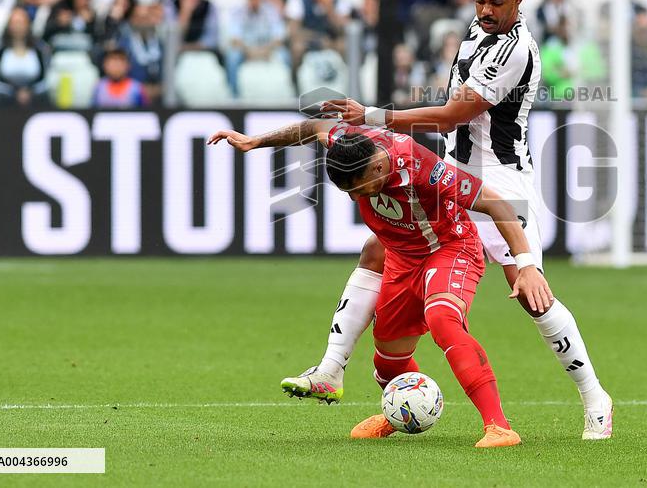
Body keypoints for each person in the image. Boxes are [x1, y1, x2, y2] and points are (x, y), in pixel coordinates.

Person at [288, 0, 615, 440]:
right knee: (380, 248)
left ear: (519, 0)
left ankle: (594, 396)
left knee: (531, 292)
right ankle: (336, 371)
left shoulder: (515, 50)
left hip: (501, 182)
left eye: (497, 2)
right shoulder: (486, 12)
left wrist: (373, 115)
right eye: (481, 0)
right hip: (453, 170)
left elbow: (452, 113)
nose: (485, 10)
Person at [208, 117, 552, 447]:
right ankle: (398, 412)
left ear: (377, 168)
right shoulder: (348, 143)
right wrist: (257, 142)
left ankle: (499, 426)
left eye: (357, 189)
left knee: (443, 319)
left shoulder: (423, 168)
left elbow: (498, 204)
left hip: (449, 248)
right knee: (388, 357)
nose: (355, 198)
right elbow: (314, 127)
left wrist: (527, 265)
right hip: (402, 255)